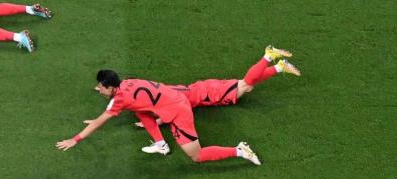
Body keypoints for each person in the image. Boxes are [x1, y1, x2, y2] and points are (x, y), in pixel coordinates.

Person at [55, 69, 261, 165]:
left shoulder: (119, 99)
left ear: (110, 87)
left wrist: (75, 139)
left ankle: (239, 151)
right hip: (174, 97)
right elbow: (126, 103)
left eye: (101, 87)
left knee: (196, 156)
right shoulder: (128, 82)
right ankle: (161, 144)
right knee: (140, 109)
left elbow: (102, 120)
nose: (98, 90)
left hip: (179, 111)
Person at [129, 45, 300, 155]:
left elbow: (171, 109)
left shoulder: (171, 102)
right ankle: (279, 67)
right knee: (245, 85)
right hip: (205, 87)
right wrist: (156, 120)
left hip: (209, 94)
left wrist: (157, 121)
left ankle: (268, 56)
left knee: (246, 85)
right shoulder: (163, 91)